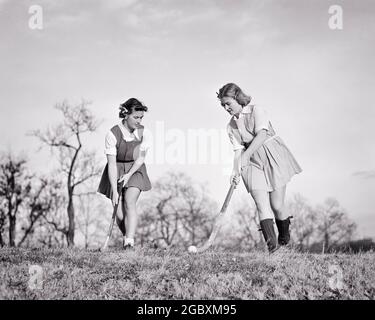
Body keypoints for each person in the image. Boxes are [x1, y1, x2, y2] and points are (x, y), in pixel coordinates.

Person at [217, 83, 302, 253]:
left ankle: (284, 239)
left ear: (237, 98)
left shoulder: (257, 110)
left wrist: (246, 155)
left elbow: (262, 135)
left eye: (228, 103)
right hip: (252, 163)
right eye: (223, 105)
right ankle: (273, 249)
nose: (226, 108)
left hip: (272, 155)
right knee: (261, 205)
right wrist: (235, 171)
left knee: (277, 205)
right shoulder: (230, 126)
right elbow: (238, 151)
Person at [98, 98, 151, 249]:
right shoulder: (112, 134)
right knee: (119, 212)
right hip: (116, 169)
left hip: (135, 168)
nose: (139, 121)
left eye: (141, 117)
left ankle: (129, 241)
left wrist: (129, 175)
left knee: (130, 201)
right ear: (126, 114)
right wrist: (114, 190)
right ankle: (127, 236)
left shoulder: (144, 132)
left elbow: (140, 159)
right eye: (136, 117)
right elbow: (112, 163)